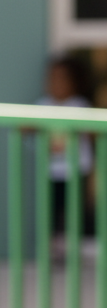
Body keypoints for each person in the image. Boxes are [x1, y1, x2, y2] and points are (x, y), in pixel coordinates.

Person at [38, 54, 96, 260]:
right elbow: (26, 127)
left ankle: (74, 249)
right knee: (51, 211)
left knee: (74, 211)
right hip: (52, 170)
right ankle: (53, 250)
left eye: (63, 79)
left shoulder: (79, 105)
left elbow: (92, 132)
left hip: (75, 169)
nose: (57, 84)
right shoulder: (44, 105)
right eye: (53, 79)